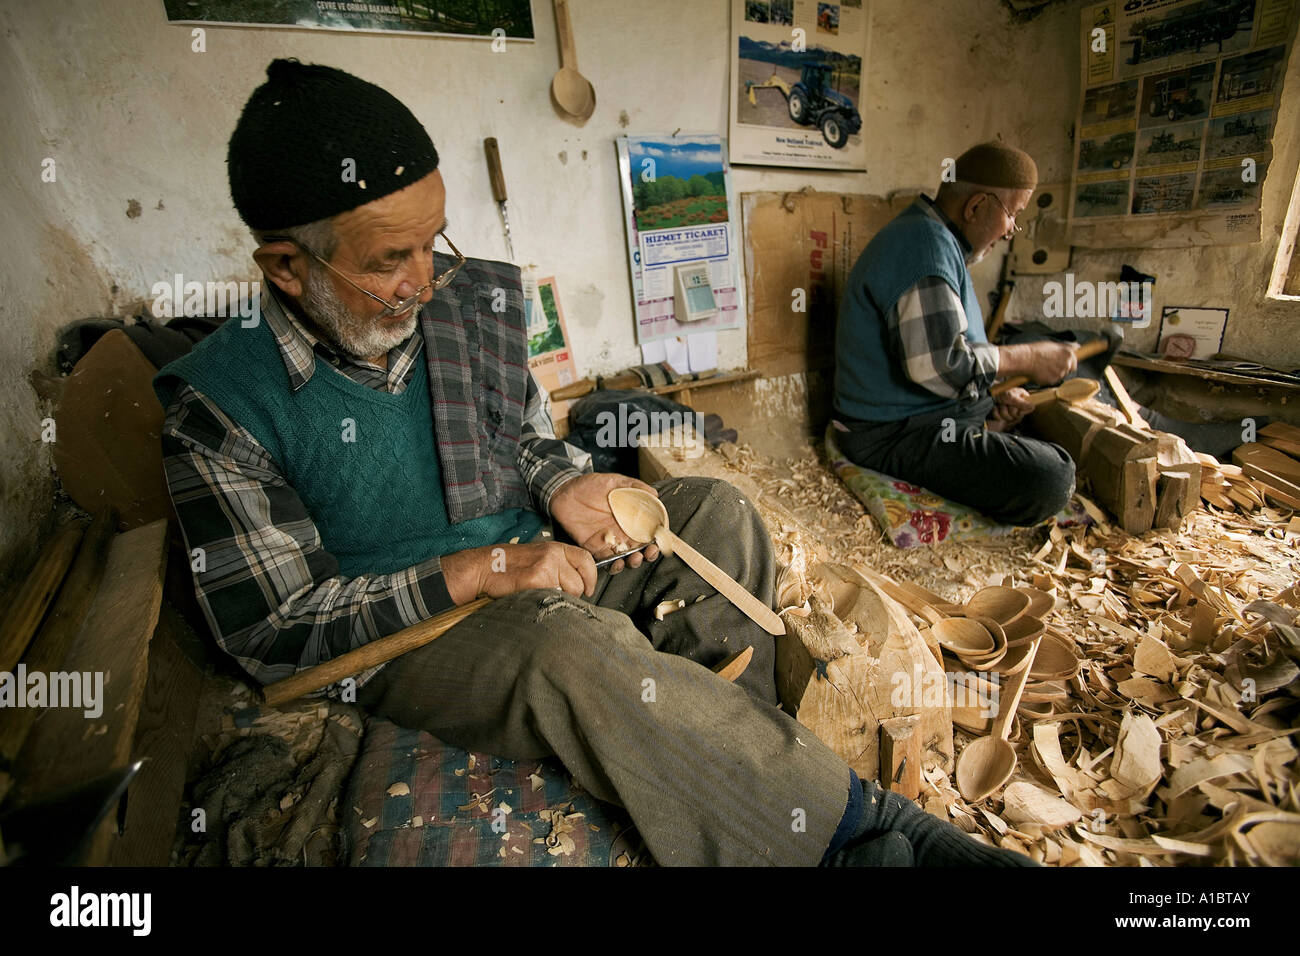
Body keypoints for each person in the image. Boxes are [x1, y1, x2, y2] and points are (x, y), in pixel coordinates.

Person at [154, 59, 1034, 867]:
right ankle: (853, 835)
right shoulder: (219, 405)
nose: (427, 283)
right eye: (391, 262)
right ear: (285, 266)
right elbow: (274, 630)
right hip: (415, 632)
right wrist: (479, 570)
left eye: (435, 244)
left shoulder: (467, 306)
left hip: (538, 558)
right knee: (568, 647)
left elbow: (527, 437)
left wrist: (562, 481)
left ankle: (752, 782)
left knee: (715, 515)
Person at [832, 142, 1078, 527]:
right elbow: (939, 364)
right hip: (890, 434)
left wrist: (988, 401)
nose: (1012, 230)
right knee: (1052, 477)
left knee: (1040, 429)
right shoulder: (923, 247)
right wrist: (1028, 358)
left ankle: (982, 421)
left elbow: (948, 352)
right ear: (976, 206)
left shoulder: (935, 240)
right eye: (1012, 214)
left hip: (925, 417)